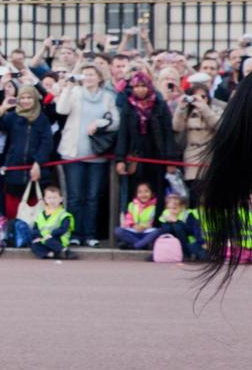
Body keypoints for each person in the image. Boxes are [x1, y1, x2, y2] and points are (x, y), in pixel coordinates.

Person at [55, 62, 118, 247]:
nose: (88, 78)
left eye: (91, 74)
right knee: (75, 196)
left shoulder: (107, 97)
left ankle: (90, 234)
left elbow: (115, 121)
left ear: (99, 77)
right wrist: (67, 88)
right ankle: (74, 233)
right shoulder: (75, 93)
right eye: (85, 75)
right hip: (73, 153)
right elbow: (61, 110)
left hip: (96, 154)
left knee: (92, 196)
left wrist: (100, 123)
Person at [114, 72, 179, 212]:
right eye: (136, 86)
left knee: (157, 191)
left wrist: (171, 160)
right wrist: (120, 159)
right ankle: (135, 222)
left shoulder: (160, 105)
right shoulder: (128, 106)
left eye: (143, 86)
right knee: (136, 192)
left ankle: (156, 225)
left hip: (157, 155)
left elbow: (168, 133)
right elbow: (123, 133)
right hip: (136, 156)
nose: (140, 89)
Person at [0, 85, 53, 220]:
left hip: (36, 172)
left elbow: (46, 143)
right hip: (14, 171)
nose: (26, 101)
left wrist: (38, 162)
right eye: (23, 98)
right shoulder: (12, 117)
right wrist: (2, 110)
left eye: (29, 98)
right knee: (13, 210)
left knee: (34, 211)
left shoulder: (42, 119)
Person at [172, 76, 223, 198]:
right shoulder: (187, 111)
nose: (200, 100)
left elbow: (220, 126)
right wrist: (181, 108)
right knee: (194, 191)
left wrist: (205, 109)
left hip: (210, 154)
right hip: (192, 155)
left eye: (203, 97)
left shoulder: (215, 109)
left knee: (209, 192)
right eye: (196, 97)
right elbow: (176, 127)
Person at [29, 184, 76, 260]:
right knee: (34, 244)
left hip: (58, 239)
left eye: (55, 198)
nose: (52, 200)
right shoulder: (41, 214)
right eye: (49, 198)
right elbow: (35, 228)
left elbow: (63, 229)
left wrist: (51, 235)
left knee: (49, 241)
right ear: (45, 200)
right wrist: (38, 237)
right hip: (43, 238)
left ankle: (65, 251)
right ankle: (51, 254)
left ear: (61, 199)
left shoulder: (64, 214)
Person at [157, 193, 205, 262]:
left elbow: (191, 230)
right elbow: (163, 229)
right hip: (173, 241)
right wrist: (168, 222)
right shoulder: (166, 214)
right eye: (169, 208)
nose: (171, 211)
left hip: (187, 241)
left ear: (182, 207)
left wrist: (177, 221)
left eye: (174, 208)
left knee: (177, 227)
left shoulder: (188, 214)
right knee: (167, 228)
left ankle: (185, 253)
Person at [114, 181, 161, 250]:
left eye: (146, 191)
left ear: (152, 194)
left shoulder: (155, 206)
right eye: (140, 192)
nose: (143, 194)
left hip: (147, 232)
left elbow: (157, 222)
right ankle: (142, 245)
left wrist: (144, 227)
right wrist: (134, 225)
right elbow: (128, 219)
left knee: (158, 231)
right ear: (136, 194)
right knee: (118, 231)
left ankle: (134, 246)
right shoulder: (132, 205)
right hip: (134, 230)